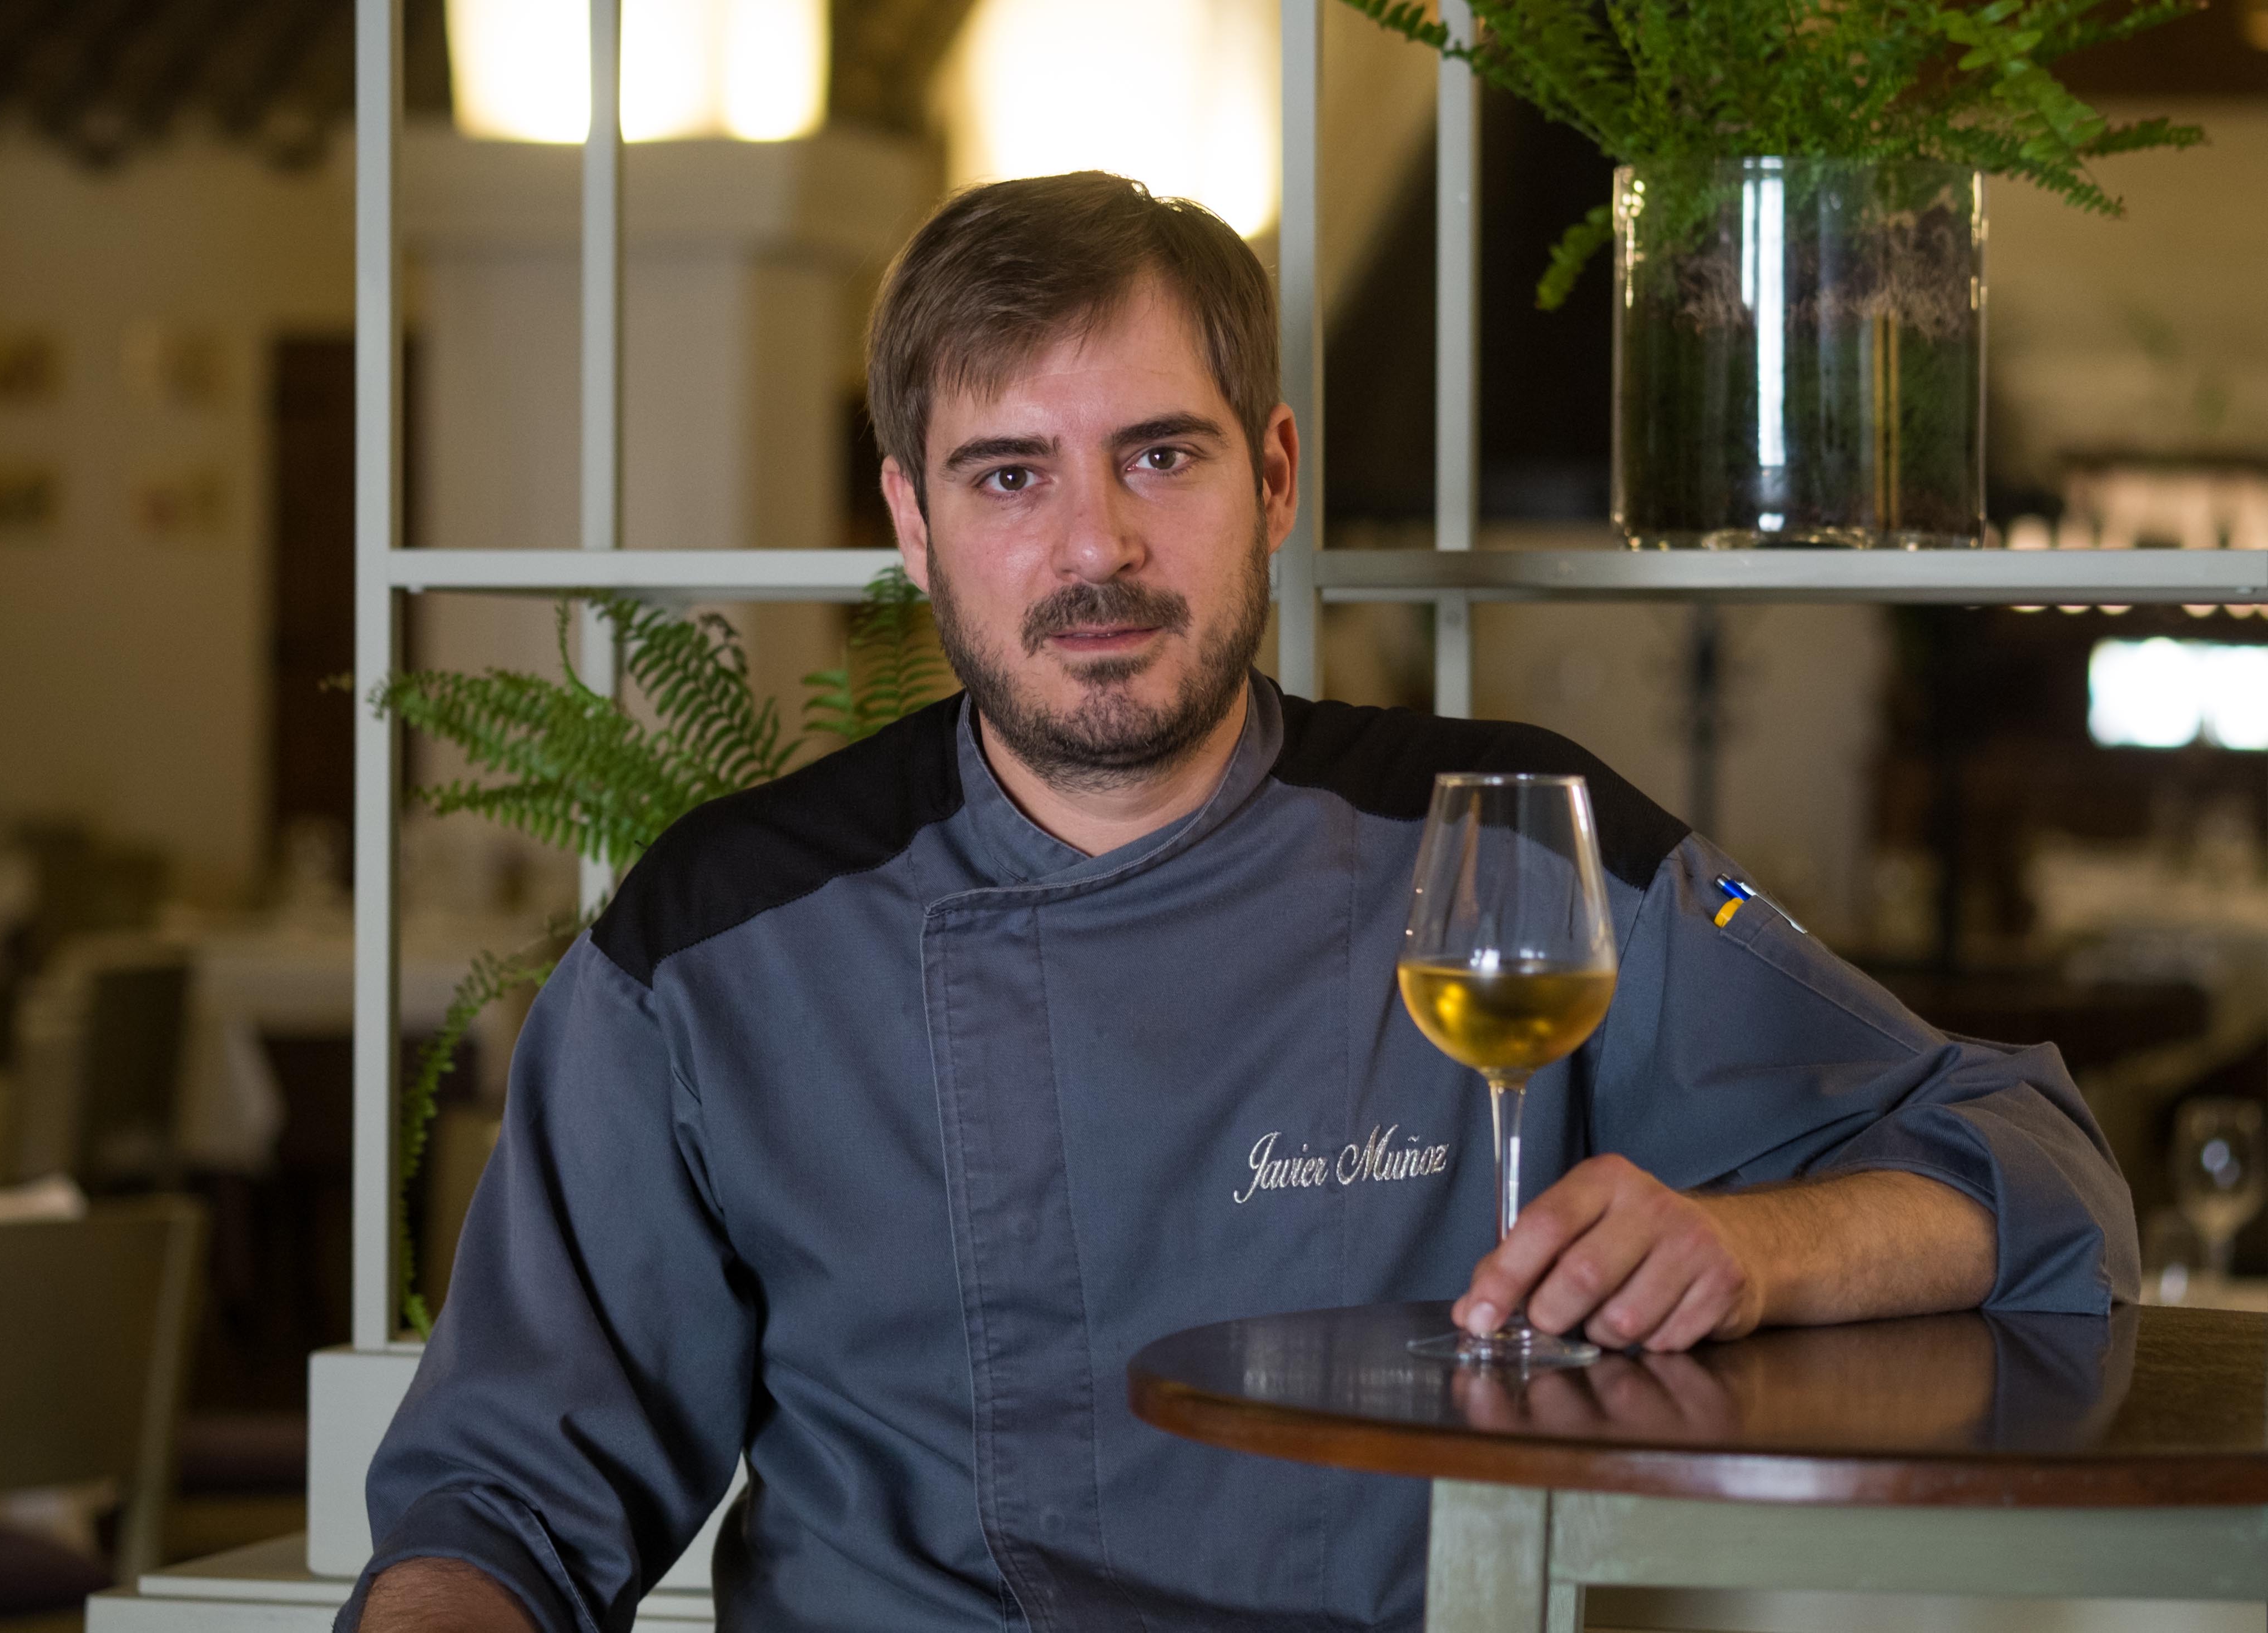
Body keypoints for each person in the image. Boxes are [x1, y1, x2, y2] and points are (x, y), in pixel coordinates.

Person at [342, 172, 2135, 1633]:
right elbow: (502, 1510)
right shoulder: (716, 946)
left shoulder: (1516, 846)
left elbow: (2032, 1164)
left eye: (1160, 455)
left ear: (1271, 477)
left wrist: (1755, 1251)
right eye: (1009, 476)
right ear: (910, 520)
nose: (1095, 549)